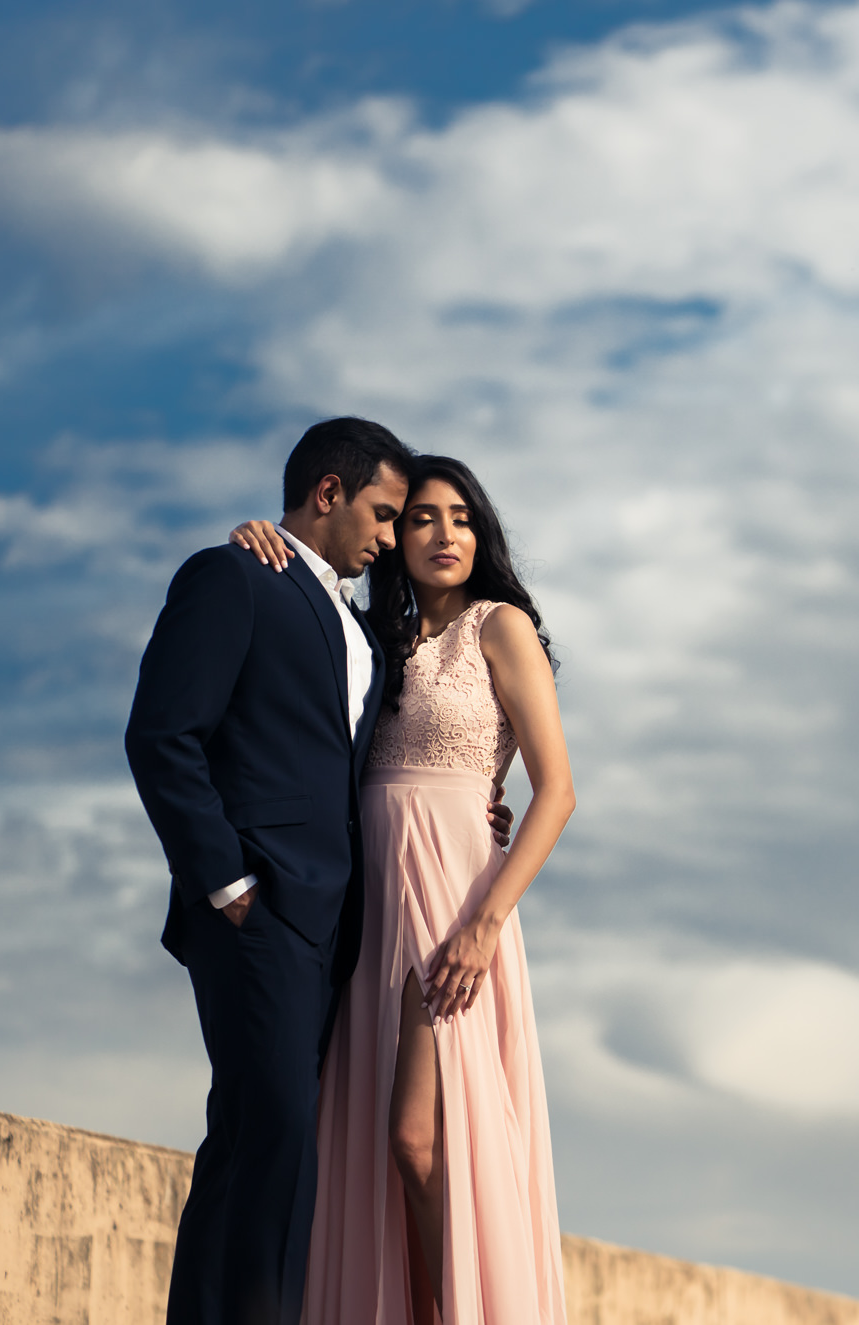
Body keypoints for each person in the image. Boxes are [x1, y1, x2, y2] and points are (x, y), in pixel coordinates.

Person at [229, 453, 575, 1325]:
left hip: (454, 905)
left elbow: (558, 790)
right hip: (366, 906)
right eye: (419, 517)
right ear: (393, 535)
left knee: (418, 1142)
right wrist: (255, 539)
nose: (443, 533)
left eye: (460, 516)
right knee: (365, 1150)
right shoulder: (370, 641)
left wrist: (486, 923)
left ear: (481, 531)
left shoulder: (501, 628)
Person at [127, 417, 415, 1325]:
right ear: (327, 493)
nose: (389, 537)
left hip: (337, 925)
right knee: (271, 1132)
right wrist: (228, 883)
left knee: (274, 1140)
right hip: (259, 906)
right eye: (381, 512)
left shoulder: (361, 623)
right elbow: (162, 735)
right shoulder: (235, 576)